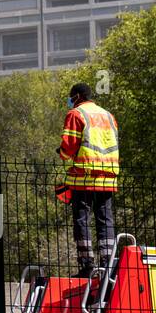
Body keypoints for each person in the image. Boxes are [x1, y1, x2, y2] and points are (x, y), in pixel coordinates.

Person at [57, 82, 120, 278]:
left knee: (81, 220)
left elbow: (68, 147)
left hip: (83, 176)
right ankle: (107, 265)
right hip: (107, 177)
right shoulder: (108, 116)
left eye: (70, 98)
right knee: (105, 220)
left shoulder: (76, 114)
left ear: (76, 97)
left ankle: (87, 266)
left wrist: (62, 153)